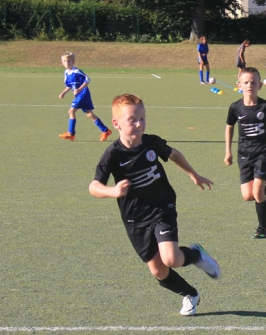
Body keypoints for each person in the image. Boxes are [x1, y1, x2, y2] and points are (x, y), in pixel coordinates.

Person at [89, 94, 220, 316]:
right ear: (116, 123)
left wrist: (194, 175)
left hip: (162, 207)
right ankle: (190, 294)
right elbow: (94, 186)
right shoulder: (113, 154)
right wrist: (113, 191)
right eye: (132, 120)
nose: (139, 124)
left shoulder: (151, 143)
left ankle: (196, 255)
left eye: (142, 118)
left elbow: (174, 154)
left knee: (171, 259)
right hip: (134, 219)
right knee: (159, 271)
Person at [225, 67, 266, 238]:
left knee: (257, 192)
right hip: (244, 154)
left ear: (260, 85)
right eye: (245, 82)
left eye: (253, 82)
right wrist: (228, 151)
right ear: (239, 85)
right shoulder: (235, 107)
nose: (249, 85)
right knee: (247, 196)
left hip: (263, 153)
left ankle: (263, 228)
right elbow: (229, 127)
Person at [58, 52, 112, 142]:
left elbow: (87, 80)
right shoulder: (66, 73)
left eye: (69, 60)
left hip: (83, 94)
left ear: (73, 61)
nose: (67, 63)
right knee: (89, 114)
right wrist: (63, 93)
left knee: (71, 111)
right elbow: (70, 85)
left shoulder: (76, 71)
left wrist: (79, 89)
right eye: (64, 61)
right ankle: (105, 131)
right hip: (80, 95)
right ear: (62, 62)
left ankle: (71, 133)